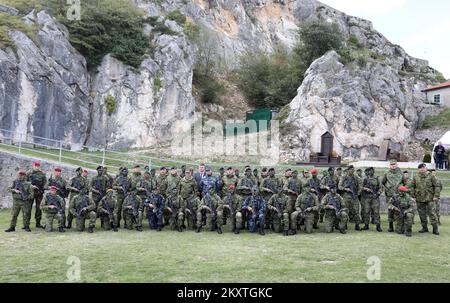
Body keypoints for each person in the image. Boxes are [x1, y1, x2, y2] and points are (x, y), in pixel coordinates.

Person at [408, 163, 442, 235]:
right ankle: (424, 227)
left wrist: (436, 195)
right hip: (419, 198)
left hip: (430, 198)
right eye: (421, 168)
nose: (422, 169)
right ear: (419, 169)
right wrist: (412, 196)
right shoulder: (416, 177)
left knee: (432, 213)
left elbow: (437, 186)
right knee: (422, 214)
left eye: (423, 167)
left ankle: (435, 229)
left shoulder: (431, 176)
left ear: (426, 168)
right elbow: (411, 186)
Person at [381, 159, 406, 232]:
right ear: (390, 165)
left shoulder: (401, 173)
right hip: (389, 195)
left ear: (397, 165)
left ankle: (399, 225)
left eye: (394, 164)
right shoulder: (386, 173)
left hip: (399, 195)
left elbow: (405, 183)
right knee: (390, 210)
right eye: (391, 165)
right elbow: (382, 182)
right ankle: (390, 226)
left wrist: (403, 191)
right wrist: (386, 189)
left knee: (399, 209)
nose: (393, 166)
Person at [338, 166, 361, 231]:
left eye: (353, 170)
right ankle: (345, 225)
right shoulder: (344, 177)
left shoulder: (356, 177)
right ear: (348, 170)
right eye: (351, 170)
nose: (352, 171)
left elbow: (360, 185)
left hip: (354, 196)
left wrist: (358, 193)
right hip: (346, 196)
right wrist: (346, 189)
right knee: (345, 211)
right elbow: (339, 186)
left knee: (356, 211)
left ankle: (357, 225)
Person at [361, 167, 382, 232]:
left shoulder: (377, 178)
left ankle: (378, 226)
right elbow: (361, 187)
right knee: (366, 212)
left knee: (376, 212)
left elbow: (381, 187)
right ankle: (366, 225)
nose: (370, 172)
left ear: (373, 171)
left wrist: (378, 193)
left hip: (375, 197)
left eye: (372, 171)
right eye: (369, 171)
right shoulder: (365, 179)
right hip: (367, 198)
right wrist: (365, 189)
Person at [27, 161, 46, 229]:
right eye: (35, 166)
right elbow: (24, 182)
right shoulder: (29, 173)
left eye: (38, 166)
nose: (37, 167)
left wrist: (43, 188)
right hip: (30, 193)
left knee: (39, 209)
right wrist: (31, 186)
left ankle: (38, 223)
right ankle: (26, 224)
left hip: (39, 193)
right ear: (33, 165)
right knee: (28, 209)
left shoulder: (42, 174)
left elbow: (45, 183)